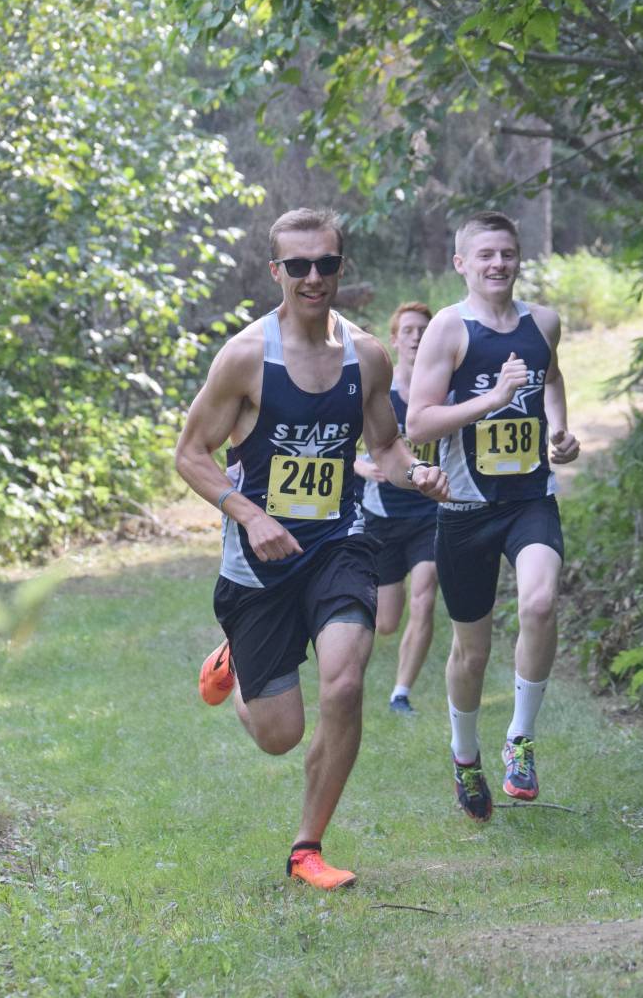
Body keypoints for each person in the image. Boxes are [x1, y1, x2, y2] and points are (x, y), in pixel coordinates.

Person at [175, 208, 449, 889]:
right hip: (259, 562)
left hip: (339, 543)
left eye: (325, 263)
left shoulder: (367, 355)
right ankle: (236, 659)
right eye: (298, 265)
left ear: (340, 268)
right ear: (277, 273)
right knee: (279, 733)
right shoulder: (246, 357)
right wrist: (247, 513)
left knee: (347, 682)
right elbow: (190, 454)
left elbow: (384, 444)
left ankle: (307, 848)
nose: (313, 276)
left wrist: (416, 472)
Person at [406, 210, 580, 822]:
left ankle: (521, 740)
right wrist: (493, 400)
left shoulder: (544, 322)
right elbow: (417, 423)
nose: (498, 264)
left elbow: (552, 378)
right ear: (462, 264)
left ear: (518, 257)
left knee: (538, 603)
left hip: (531, 498)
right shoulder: (449, 330)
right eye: (485, 255)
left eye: (507, 253)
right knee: (471, 652)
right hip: (464, 507)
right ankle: (465, 755)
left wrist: (558, 429)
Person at [354, 301, 439, 714]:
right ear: (395, 339)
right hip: (383, 518)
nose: (417, 336)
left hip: (429, 516)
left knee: (424, 597)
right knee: (386, 621)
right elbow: (342, 449)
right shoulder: (377, 396)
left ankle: (400, 693)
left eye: (424, 329)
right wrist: (362, 468)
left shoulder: (442, 394)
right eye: (409, 330)